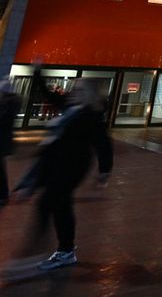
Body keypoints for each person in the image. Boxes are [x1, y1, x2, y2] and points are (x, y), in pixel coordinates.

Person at [13, 78, 112, 271]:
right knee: (60, 205)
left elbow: (104, 145)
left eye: (79, 90)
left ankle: (46, 252)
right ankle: (64, 250)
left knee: (48, 203)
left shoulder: (92, 115)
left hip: (72, 167)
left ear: (89, 94)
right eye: (74, 88)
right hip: (56, 164)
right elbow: (50, 95)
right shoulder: (71, 107)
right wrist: (38, 73)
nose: (74, 92)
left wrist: (103, 173)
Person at [0, 77, 19, 207]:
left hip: (2, 141)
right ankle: (3, 194)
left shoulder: (8, 105)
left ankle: (3, 194)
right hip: (3, 141)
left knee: (1, 170)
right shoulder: (8, 104)